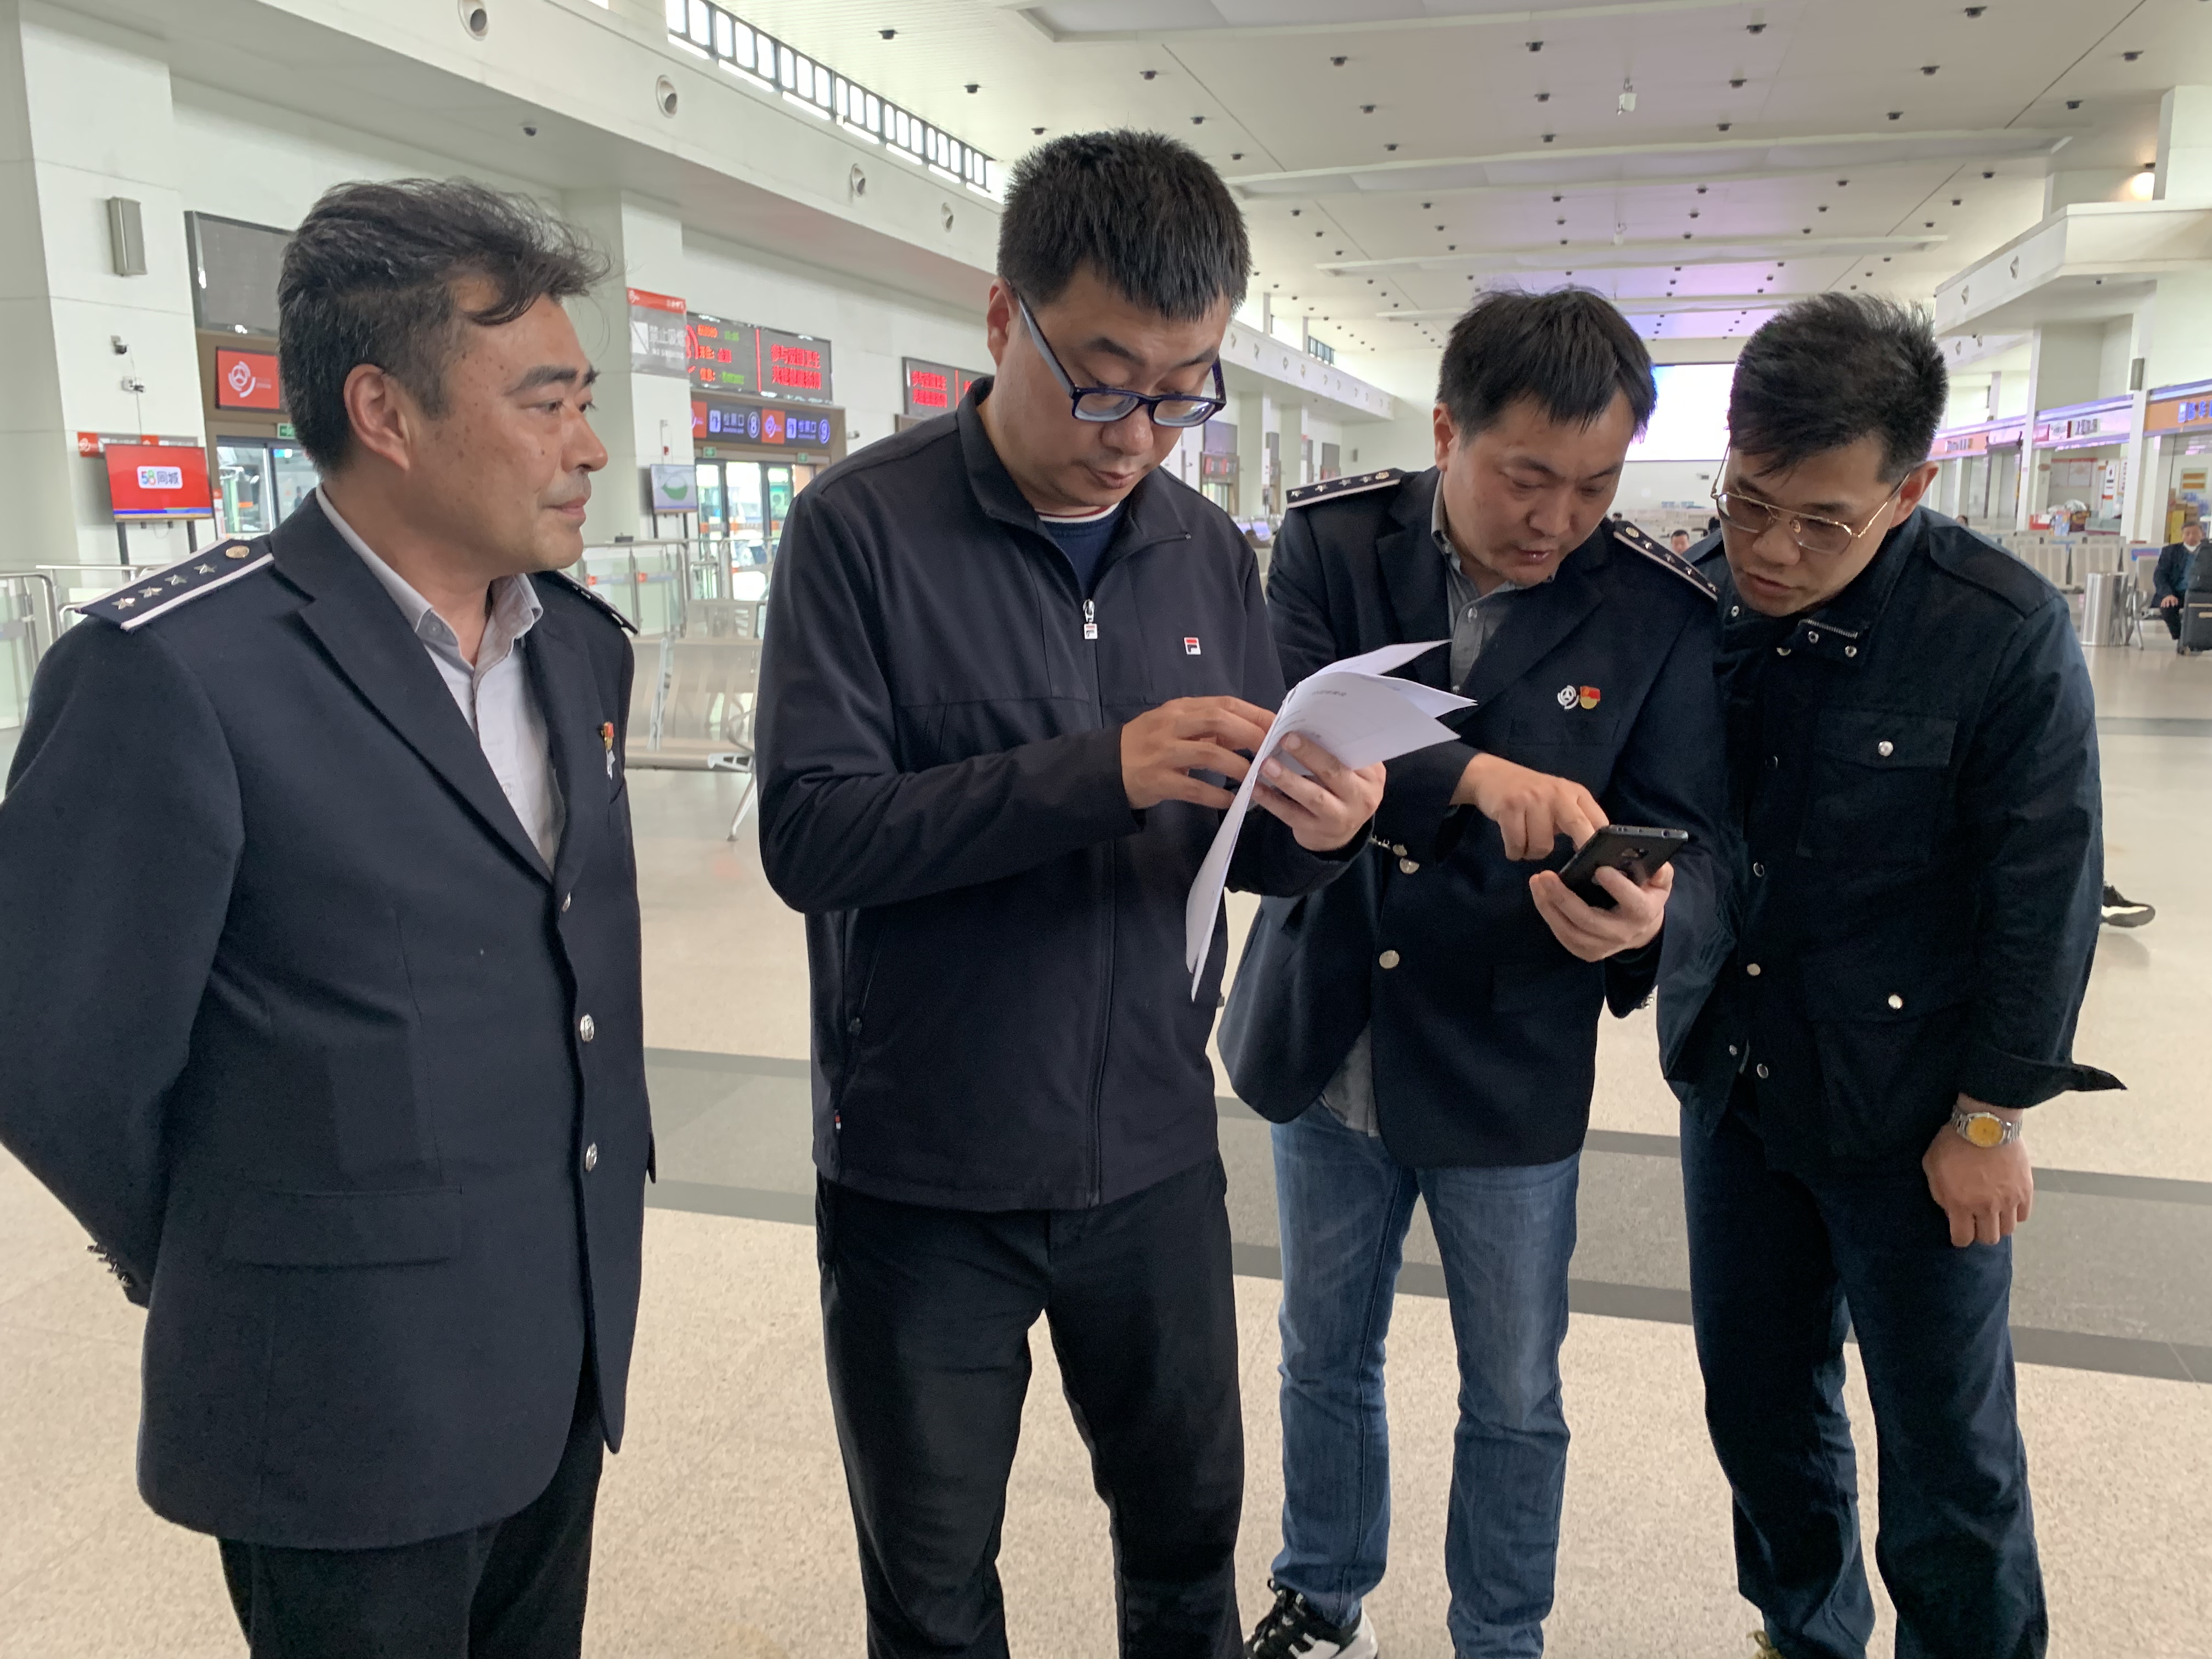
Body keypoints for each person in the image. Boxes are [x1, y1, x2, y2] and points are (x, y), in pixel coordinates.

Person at [753, 131, 1384, 1659]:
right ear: (1002, 320)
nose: (1139, 435)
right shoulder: (860, 529)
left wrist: (1323, 829)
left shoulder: (1203, 550)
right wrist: (1097, 772)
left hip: (1154, 1152)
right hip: (926, 1165)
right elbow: (813, 837)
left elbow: (1236, 832)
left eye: (1183, 390)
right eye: (1104, 383)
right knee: (932, 1584)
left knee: (1186, 1547)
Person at [0, 179, 650, 1658]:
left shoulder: (577, 651)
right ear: (386, 411)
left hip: (557, 1342)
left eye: (586, 402)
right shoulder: (179, 673)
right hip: (336, 1391)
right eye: (546, 402)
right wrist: (249, 1239)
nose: (589, 446)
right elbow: (51, 1053)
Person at [1221, 290, 1733, 1659]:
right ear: (1448, 431)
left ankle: (1501, 1636)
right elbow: (1296, 736)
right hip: (1334, 1024)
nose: (1558, 518)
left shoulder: (1655, 609)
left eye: (1596, 486)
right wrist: (1476, 778)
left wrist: (1648, 923)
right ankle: (1323, 1595)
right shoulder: (1335, 545)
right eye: (1527, 476)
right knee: (1324, 1351)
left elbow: (1702, 844)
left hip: (1511, 1051)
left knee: (1512, 1389)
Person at [1675, 295, 2121, 1659]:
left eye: (1824, 522)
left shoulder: (1999, 628)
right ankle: (1802, 1631)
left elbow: (2046, 896)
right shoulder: (1696, 592)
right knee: (1760, 1408)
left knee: (1948, 1450)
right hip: (1739, 1081)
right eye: (1751, 502)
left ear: (1908, 491)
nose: (1773, 550)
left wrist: (1990, 1118)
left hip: (1917, 1112)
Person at [2153, 517, 2204, 651]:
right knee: (2168, 608)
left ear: (2202, 535)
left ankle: (2200, 639)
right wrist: (2167, 594)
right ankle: (2182, 638)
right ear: (2182, 535)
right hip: (2176, 593)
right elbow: (2160, 576)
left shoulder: (2208, 552)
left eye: (2195, 533)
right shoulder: (2170, 552)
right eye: (2187, 534)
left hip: (2201, 594)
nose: (2191, 537)